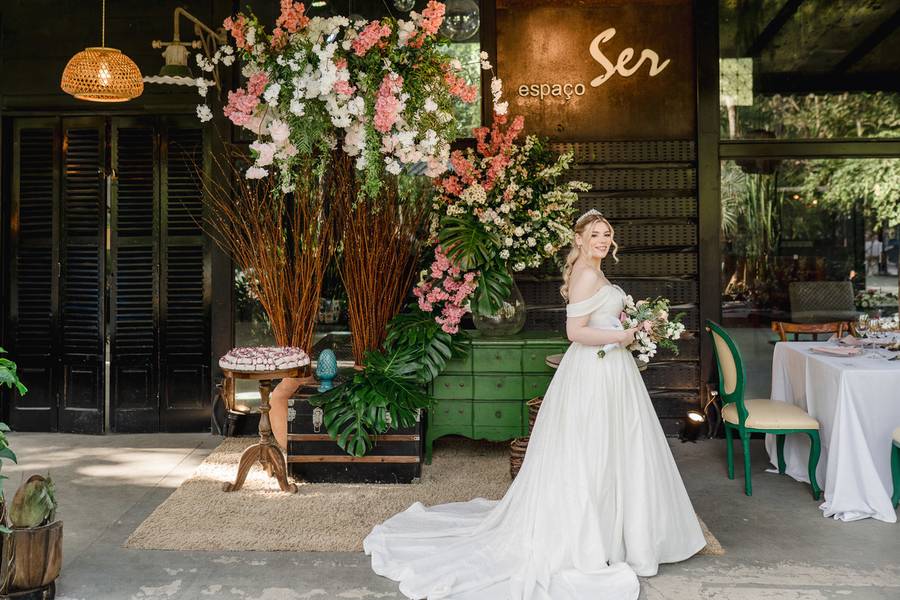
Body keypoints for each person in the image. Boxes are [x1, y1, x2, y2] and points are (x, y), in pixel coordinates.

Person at [363, 210, 706, 599]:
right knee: (595, 449)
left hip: (611, 370)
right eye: (595, 234)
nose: (603, 239)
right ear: (578, 239)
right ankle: (603, 536)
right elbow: (574, 332)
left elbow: (595, 320)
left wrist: (629, 329)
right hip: (596, 371)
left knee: (615, 448)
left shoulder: (593, 271)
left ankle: (620, 532)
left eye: (607, 234)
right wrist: (626, 334)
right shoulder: (587, 274)